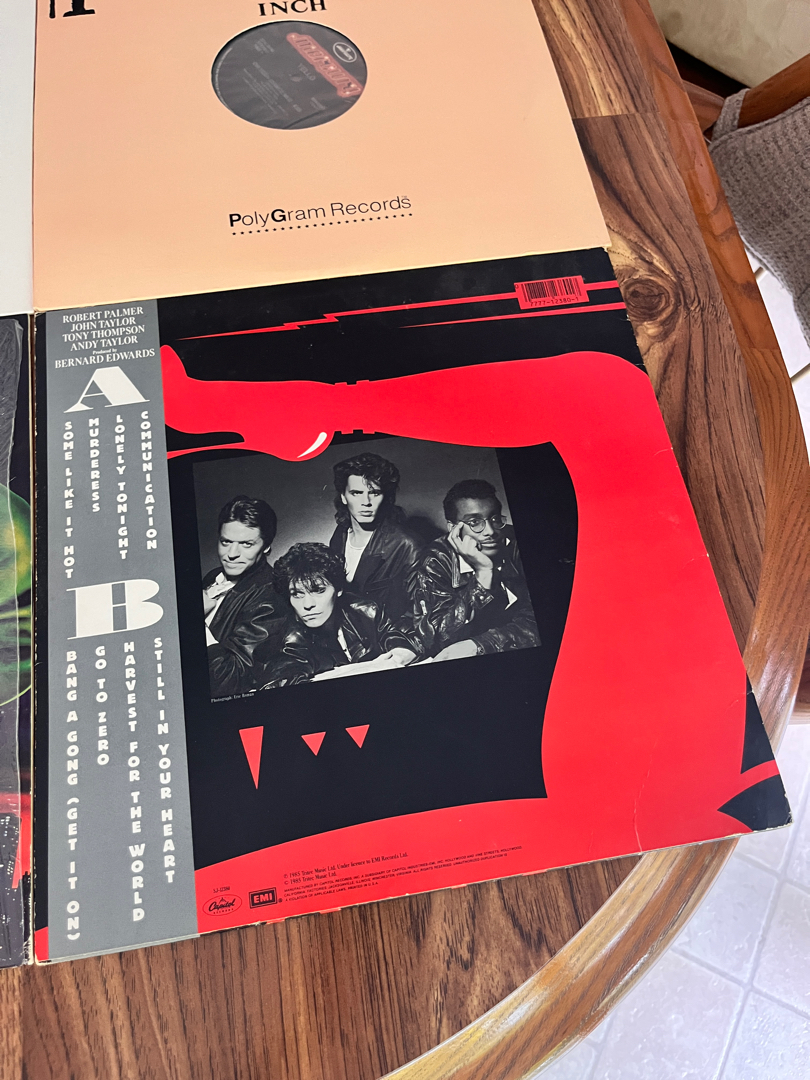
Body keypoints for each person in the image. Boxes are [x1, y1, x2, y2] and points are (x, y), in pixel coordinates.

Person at [407, 479, 539, 660]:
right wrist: (483, 573)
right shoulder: (437, 560)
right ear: (453, 528)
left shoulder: (517, 544)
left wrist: (480, 645)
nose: (490, 531)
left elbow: (538, 621)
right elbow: (435, 638)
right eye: (475, 522)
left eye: (494, 518)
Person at [261, 543, 418, 688]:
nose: (307, 604)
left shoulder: (365, 610)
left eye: (318, 591)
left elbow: (406, 636)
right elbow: (282, 683)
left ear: (339, 589)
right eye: (296, 594)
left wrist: (397, 657)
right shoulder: (290, 641)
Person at [202, 495, 287, 697]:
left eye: (246, 544)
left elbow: (230, 679)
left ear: (266, 546)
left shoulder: (271, 595)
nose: (232, 554)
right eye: (226, 542)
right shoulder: (214, 576)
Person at [328, 451, 421, 622]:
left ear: (385, 497)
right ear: (343, 497)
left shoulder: (406, 545)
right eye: (356, 493)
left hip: (385, 636)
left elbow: (418, 613)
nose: (366, 502)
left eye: (375, 493)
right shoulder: (340, 535)